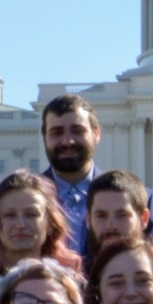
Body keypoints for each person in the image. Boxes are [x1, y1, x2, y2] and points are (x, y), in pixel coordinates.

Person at [0, 167, 81, 278]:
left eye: (31, 215)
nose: (20, 225)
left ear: (50, 224)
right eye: (10, 215)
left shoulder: (71, 284)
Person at [38, 92, 104, 254]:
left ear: (96, 134)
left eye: (77, 131)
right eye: (57, 132)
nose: (68, 141)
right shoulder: (12, 200)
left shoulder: (133, 199)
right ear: (45, 138)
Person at [82, 167, 153, 259]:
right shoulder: (76, 268)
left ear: (143, 218)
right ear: (88, 220)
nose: (111, 225)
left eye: (122, 215)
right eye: (101, 216)